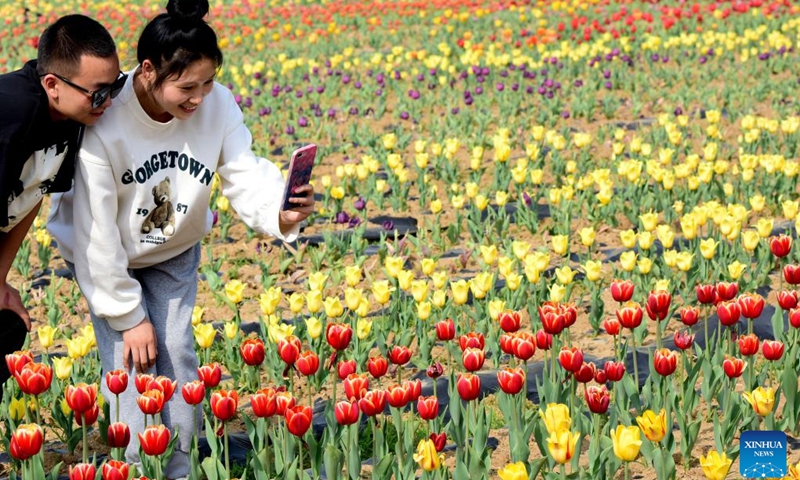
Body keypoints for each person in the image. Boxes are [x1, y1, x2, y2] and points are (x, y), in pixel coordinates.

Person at [47, 0, 315, 477]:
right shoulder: (106, 121)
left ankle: (180, 467)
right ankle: (136, 465)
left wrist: (280, 208)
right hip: (111, 258)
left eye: (208, 82)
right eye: (187, 87)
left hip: (173, 250)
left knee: (176, 350)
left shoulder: (218, 105)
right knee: (133, 365)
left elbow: (243, 172)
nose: (199, 98)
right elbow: (95, 232)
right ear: (147, 71)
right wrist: (129, 317)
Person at [0, 15, 121, 397]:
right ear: (52, 84)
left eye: (113, 87)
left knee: (7, 327)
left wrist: (0, 279)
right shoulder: (11, 112)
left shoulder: (70, 116)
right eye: (98, 92)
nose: (109, 101)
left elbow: (33, 194)